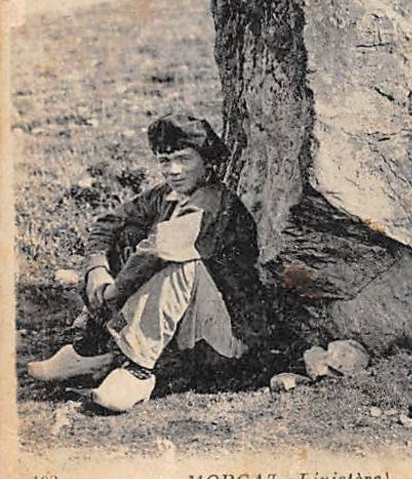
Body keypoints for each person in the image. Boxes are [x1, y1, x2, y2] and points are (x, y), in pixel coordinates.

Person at [27, 114, 261, 413]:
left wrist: (113, 292)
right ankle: (89, 352)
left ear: (207, 161)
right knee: (126, 233)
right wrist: (98, 269)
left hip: (226, 339)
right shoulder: (167, 195)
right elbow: (108, 223)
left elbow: (157, 251)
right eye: (164, 161)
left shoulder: (214, 202)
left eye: (183, 159)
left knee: (178, 262)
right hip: (181, 326)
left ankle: (138, 370)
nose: (173, 170)